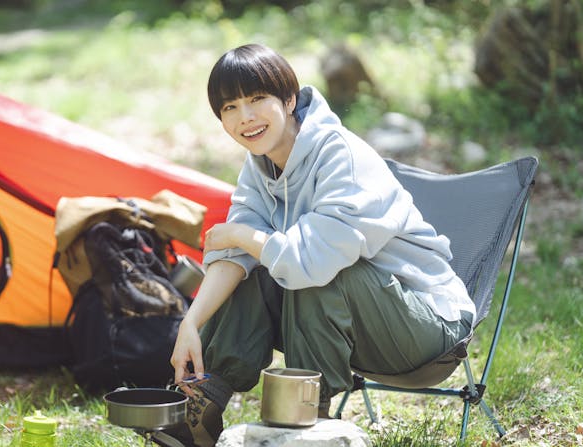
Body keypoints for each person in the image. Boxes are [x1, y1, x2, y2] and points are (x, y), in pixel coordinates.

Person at [157, 43, 475, 447]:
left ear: (289, 100)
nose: (245, 117)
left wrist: (239, 234)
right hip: (353, 327)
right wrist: (191, 322)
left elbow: (308, 261)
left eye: (257, 99)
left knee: (315, 267)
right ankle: (200, 404)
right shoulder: (260, 166)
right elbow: (235, 256)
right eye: (230, 107)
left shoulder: (341, 156)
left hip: (427, 332)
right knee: (257, 265)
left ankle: (306, 419)